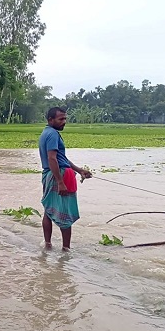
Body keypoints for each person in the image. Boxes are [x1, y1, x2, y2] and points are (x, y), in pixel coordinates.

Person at [39, 107, 92, 251]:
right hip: (58, 175)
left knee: (48, 210)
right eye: (60, 119)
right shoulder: (53, 135)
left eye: (65, 119)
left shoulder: (46, 133)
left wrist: (79, 170)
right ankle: (66, 250)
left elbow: (61, 158)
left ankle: (48, 245)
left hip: (49, 174)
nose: (64, 122)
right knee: (66, 214)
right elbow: (52, 158)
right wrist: (60, 182)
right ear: (50, 120)